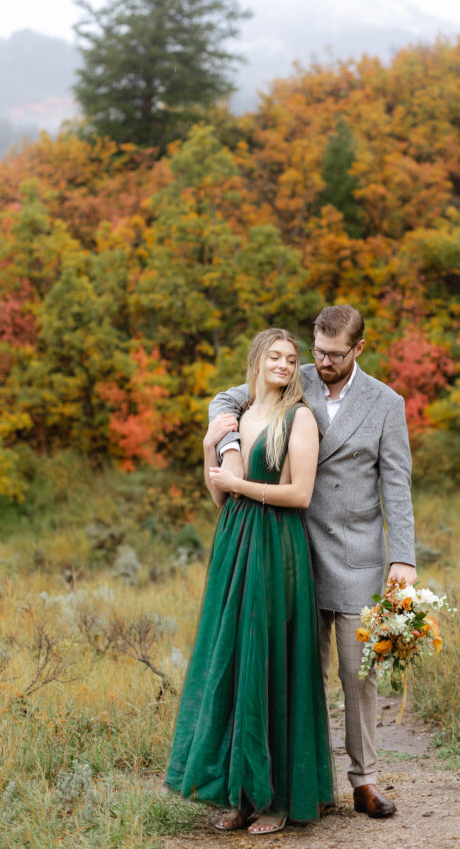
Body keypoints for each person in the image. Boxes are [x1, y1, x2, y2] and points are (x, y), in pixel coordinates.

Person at [211, 304, 417, 820]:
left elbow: (396, 483)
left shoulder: (386, 403)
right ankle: (309, 782)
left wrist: (404, 558)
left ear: (358, 349)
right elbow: (229, 397)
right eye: (317, 351)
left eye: (333, 354)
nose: (321, 362)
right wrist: (228, 431)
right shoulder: (295, 377)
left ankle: (365, 780)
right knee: (298, 672)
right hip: (293, 550)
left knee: (356, 673)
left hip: (356, 557)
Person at [165, 328, 335, 835]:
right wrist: (207, 448)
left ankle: (279, 799)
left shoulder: (298, 417)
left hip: (276, 546)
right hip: (234, 544)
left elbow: (300, 494)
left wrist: (238, 483)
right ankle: (243, 793)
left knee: (271, 660)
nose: (283, 365)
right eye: (275, 357)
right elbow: (220, 498)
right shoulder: (236, 418)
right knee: (237, 661)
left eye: (290, 359)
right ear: (257, 361)